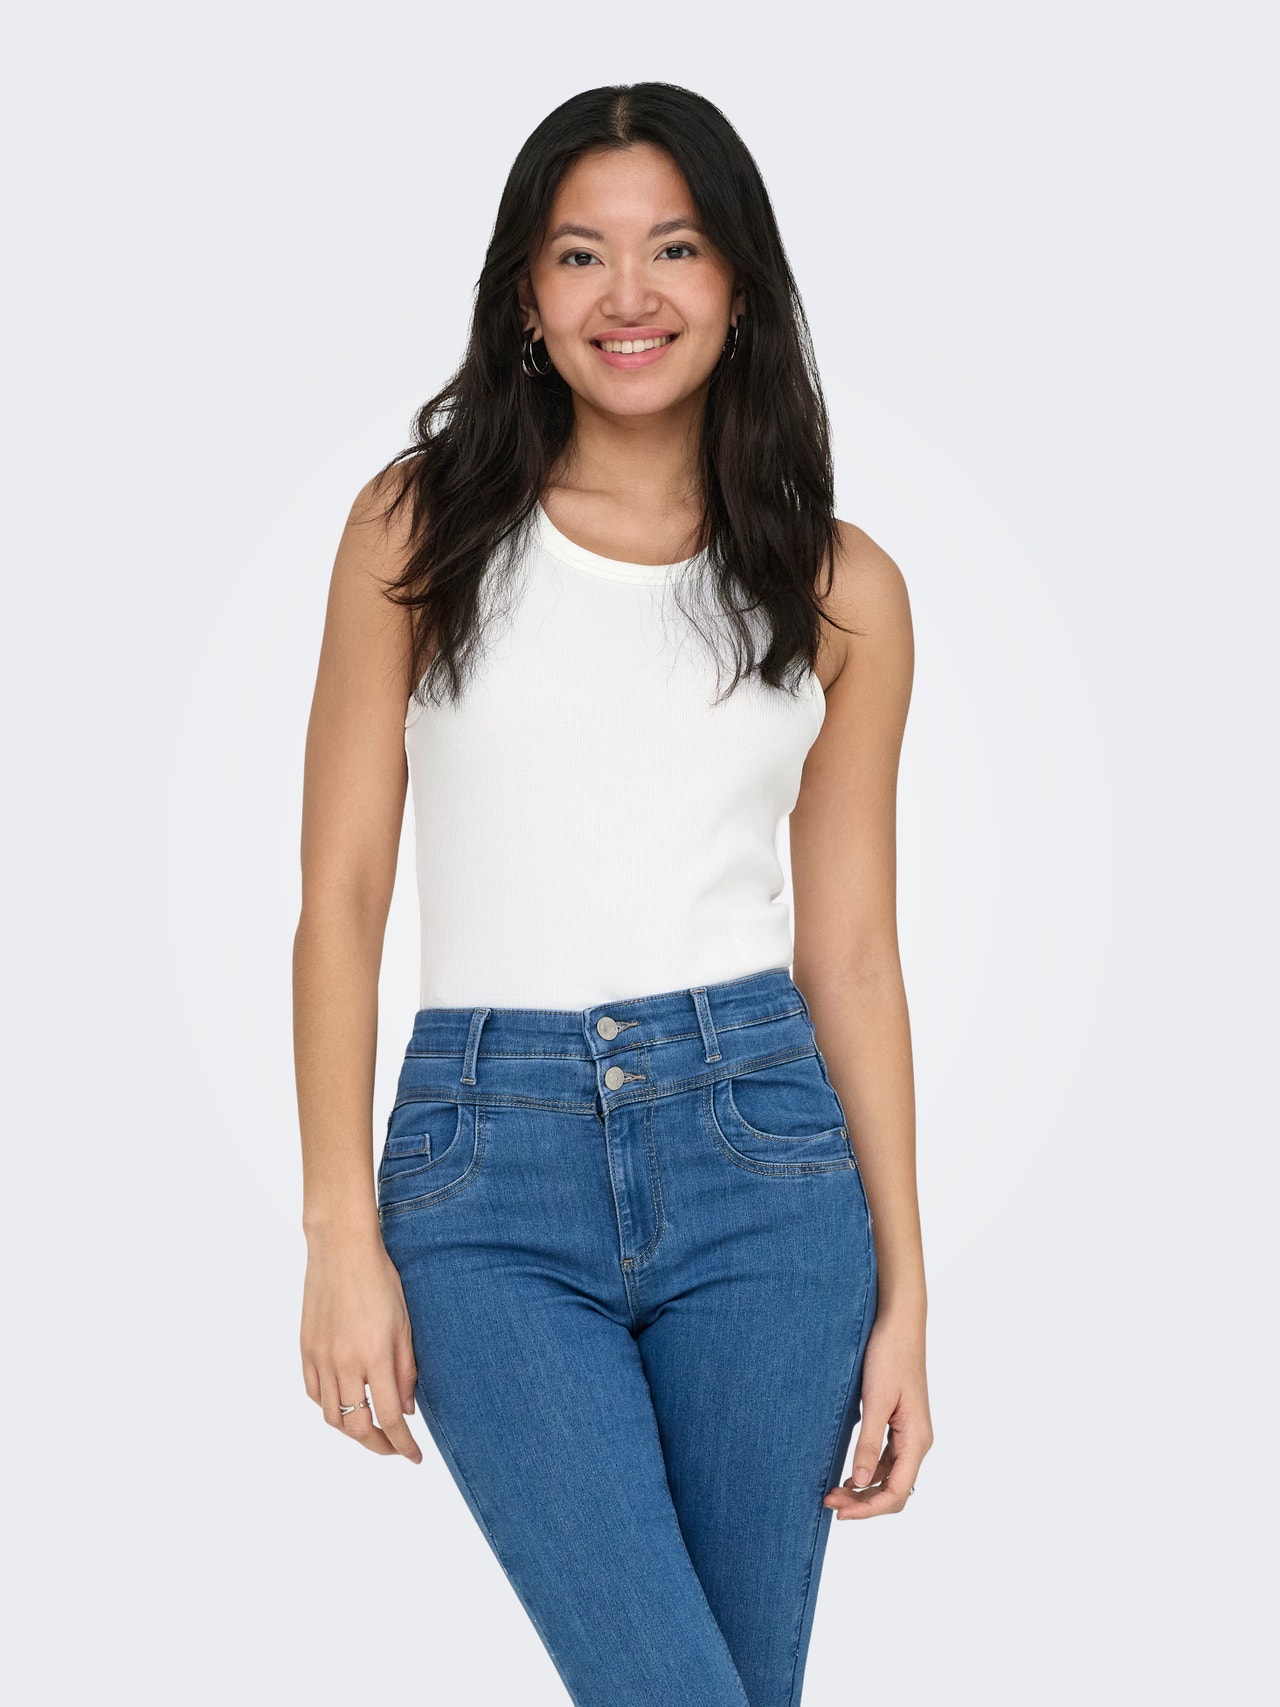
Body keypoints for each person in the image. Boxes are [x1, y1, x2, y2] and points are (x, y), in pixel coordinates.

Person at [294, 80, 932, 1707]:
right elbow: (342, 894)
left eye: (675, 249)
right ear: (526, 292)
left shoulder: (838, 589)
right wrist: (339, 1233)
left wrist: (909, 1296)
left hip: (765, 1170)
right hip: (482, 1182)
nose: (626, 294)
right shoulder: (419, 529)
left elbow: (855, 954)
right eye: (581, 254)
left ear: (741, 285)